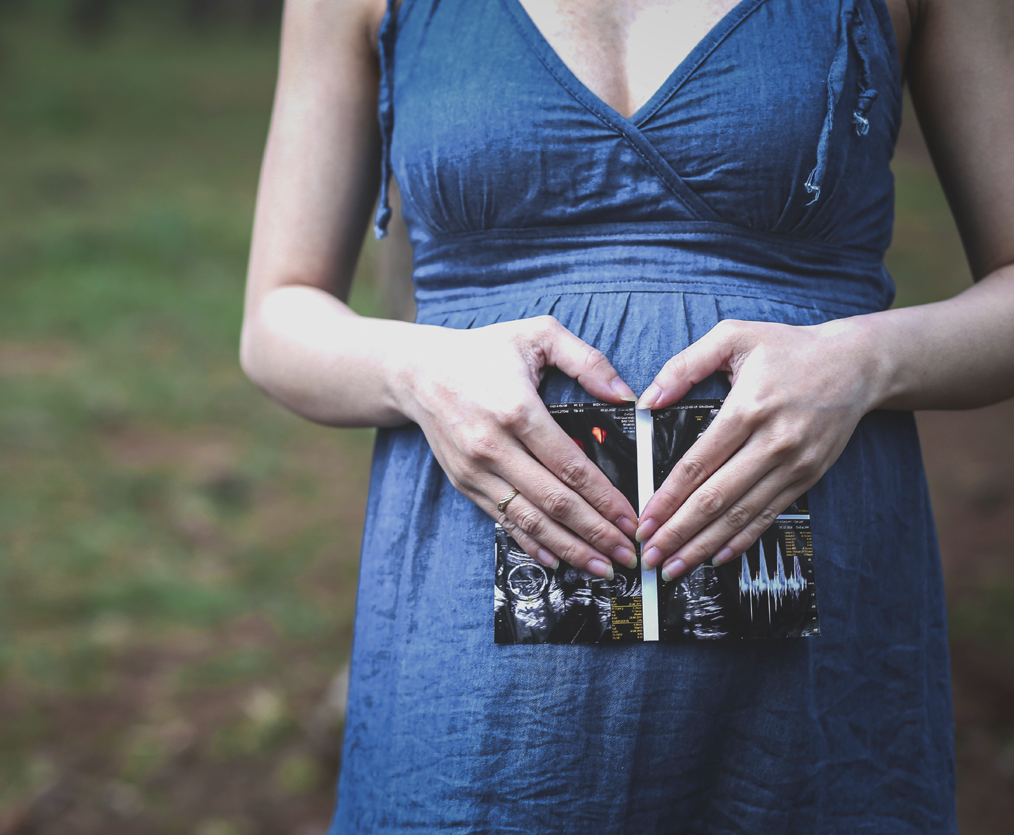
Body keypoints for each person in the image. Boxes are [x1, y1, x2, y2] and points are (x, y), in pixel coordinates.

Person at [240, 0, 1014, 830]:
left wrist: (865, 360)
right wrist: (416, 369)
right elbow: (276, 319)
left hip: (815, 633)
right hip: (471, 645)